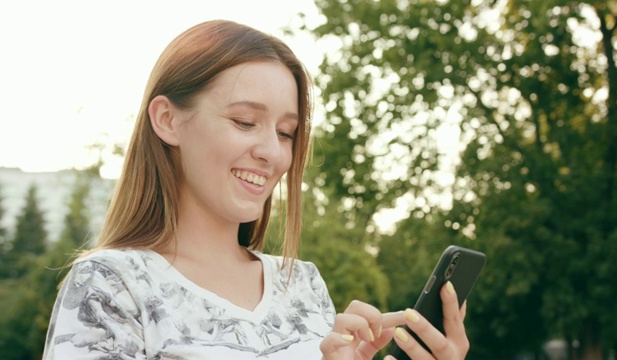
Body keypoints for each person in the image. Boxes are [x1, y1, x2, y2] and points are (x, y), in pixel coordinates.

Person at [42, 20, 470, 360]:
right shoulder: (112, 286)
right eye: (245, 122)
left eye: (286, 133)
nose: (272, 153)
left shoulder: (302, 285)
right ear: (168, 120)